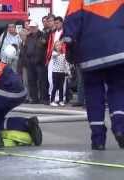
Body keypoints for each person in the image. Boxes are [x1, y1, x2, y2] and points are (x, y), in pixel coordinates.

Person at [63, 0, 124, 150]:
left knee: (93, 95)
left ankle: (98, 139)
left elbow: (70, 29)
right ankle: (120, 127)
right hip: (118, 49)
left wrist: (71, 50)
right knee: (118, 89)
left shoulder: (78, 1)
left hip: (89, 54)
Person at [50, 41, 70, 107]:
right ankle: (52, 100)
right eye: (57, 45)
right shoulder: (54, 53)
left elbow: (66, 64)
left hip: (62, 73)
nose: (59, 46)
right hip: (55, 73)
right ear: (55, 47)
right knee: (55, 87)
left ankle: (61, 100)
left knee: (61, 87)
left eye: (60, 45)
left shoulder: (63, 55)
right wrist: (57, 53)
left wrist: (68, 72)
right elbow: (53, 55)